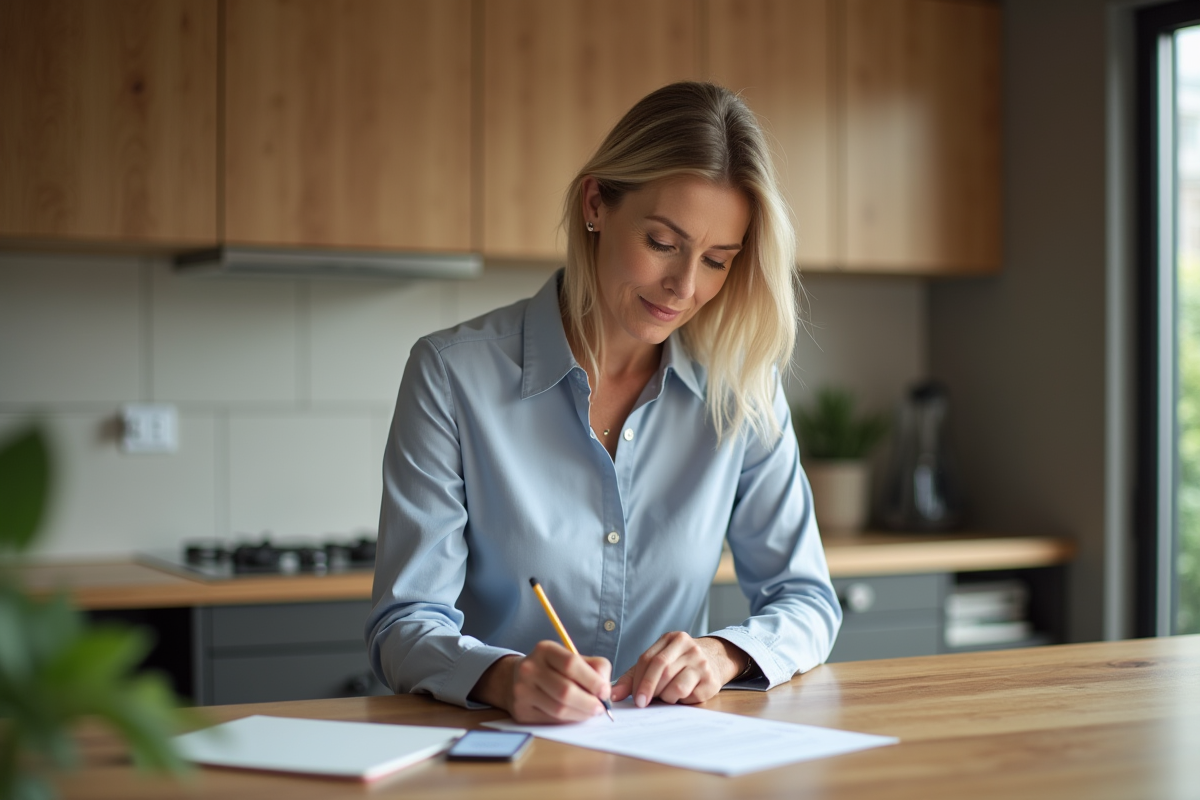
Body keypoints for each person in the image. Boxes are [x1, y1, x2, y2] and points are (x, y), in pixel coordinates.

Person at [366, 81, 841, 723]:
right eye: (663, 244)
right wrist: (504, 679)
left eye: (717, 261)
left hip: (666, 764)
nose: (684, 286)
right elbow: (403, 623)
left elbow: (806, 600)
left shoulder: (741, 390)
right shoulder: (451, 375)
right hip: (496, 759)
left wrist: (723, 654)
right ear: (596, 203)